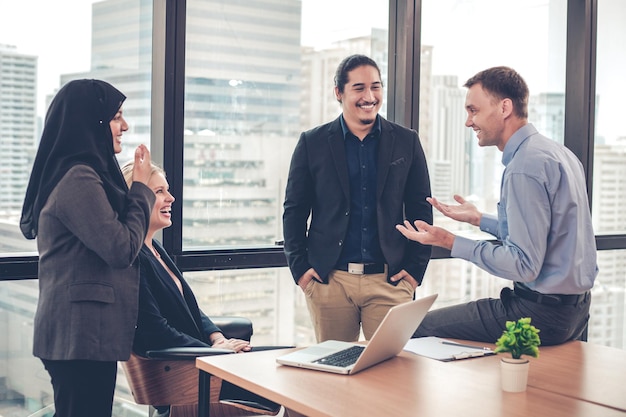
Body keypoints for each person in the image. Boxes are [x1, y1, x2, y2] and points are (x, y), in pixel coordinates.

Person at [396, 66, 598, 346]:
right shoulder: (559, 154)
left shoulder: (523, 167)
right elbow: (547, 236)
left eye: (473, 110)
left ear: (505, 108)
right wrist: (480, 220)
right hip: (577, 311)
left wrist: (450, 241)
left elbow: (524, 265)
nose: (469, 122)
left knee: (412, 326)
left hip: (538, 314)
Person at [20, 79, 155, 417]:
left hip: (85, 337)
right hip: (79, 338)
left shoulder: (84, 174)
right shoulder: (77, 179)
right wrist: (140, 187)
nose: (124, 126)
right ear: (90, 122)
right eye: (115, 117)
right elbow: (121, 248)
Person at [283, 54, 432, 343]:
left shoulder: (406, 141)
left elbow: (420, 210)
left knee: (391, 377)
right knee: (333, 374)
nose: (370, 96)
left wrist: (414, 272)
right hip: (330, 281)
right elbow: (294, 210)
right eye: (359, 88)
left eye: (376, 87)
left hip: (390, 282)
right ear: (339, 92)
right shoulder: (312, 143)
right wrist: (300, 270)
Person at [120, 160, 281, 417]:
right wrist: (210, 352)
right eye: (159, 191)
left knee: (294, 362)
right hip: (188, 379)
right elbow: (153, 330)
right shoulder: (134, 258)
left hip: (203, 365)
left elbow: (190, 309)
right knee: (291, 378)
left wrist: (217, 338)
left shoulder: (155, 249)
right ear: (135, 198)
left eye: (167, 190)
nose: (170, 198)